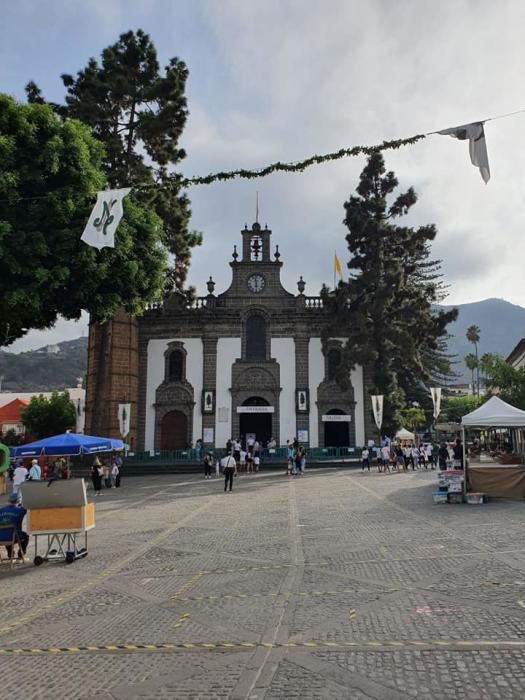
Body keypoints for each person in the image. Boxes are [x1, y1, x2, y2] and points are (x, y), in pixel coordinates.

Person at [0, 494, 29, 561]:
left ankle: (10, 555)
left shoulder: (1, 510)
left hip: (1, 537)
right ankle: (20, 555)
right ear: (18, 501)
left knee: (6, 531)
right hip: (14, 536)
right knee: (25, 536)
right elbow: (26, 508)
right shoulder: (20, 510)